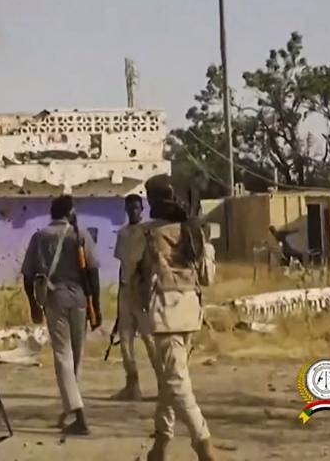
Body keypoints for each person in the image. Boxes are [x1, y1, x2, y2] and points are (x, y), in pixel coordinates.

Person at [131, 175, 218, 461]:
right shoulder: (193, 232)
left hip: (162, 314)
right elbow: (208, 278)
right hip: (190, 313)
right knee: (170, 381)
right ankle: (160, 445)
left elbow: (132, 277)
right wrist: (207, 246)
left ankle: (203, 444)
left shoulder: (145, 234)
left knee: (176, 383)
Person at [19, 195, 100, 435]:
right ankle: (72, 407)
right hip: (80, 299)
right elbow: (93, 273)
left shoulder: (40, 237)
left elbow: (28, 276)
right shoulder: (81, 235)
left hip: (55, 299)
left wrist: (34, 305)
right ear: (70, 212)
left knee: (62, 355)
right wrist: (96, 307)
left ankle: (77, 412)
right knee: (77, 355)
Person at [112, 194, 158, 401]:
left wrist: (147, 291)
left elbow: (150, 265)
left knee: (149, 339)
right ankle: (132, 385)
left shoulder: (148, 232)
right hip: (125, 290)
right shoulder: (122, 234)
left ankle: (163, 384)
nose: (133, 211)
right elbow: (122, 265)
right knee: (125, 339)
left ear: (142, 209)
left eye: (137, 208)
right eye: (130, 208)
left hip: (142, 290)